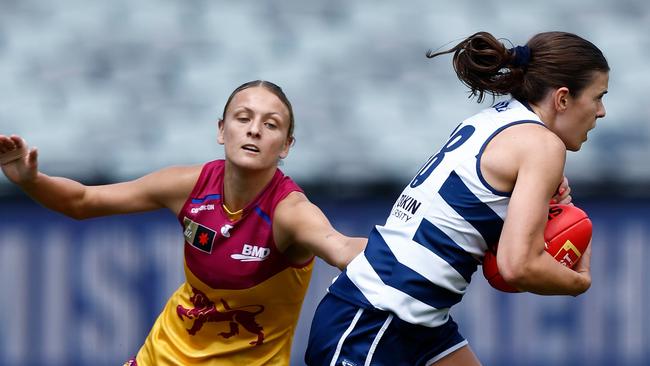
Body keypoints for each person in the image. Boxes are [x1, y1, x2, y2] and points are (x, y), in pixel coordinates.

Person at [0, 80, 366, 365]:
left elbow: (342, 247)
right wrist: (30, 180)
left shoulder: (289, 211)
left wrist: (418, 246)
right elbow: (83, 201)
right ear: (222, 130)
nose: (254, 130)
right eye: (243, 118)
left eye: (270, 125)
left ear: (286, 145)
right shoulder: (187, 186)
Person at [305, 31, 608, 366]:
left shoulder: (495, 120)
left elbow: (469, 209)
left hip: (414, 318)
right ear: (563, 99)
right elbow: (518, 265)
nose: (602, 111)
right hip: (376, 319)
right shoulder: (542, 145)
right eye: (598, 97)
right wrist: (578, 282)